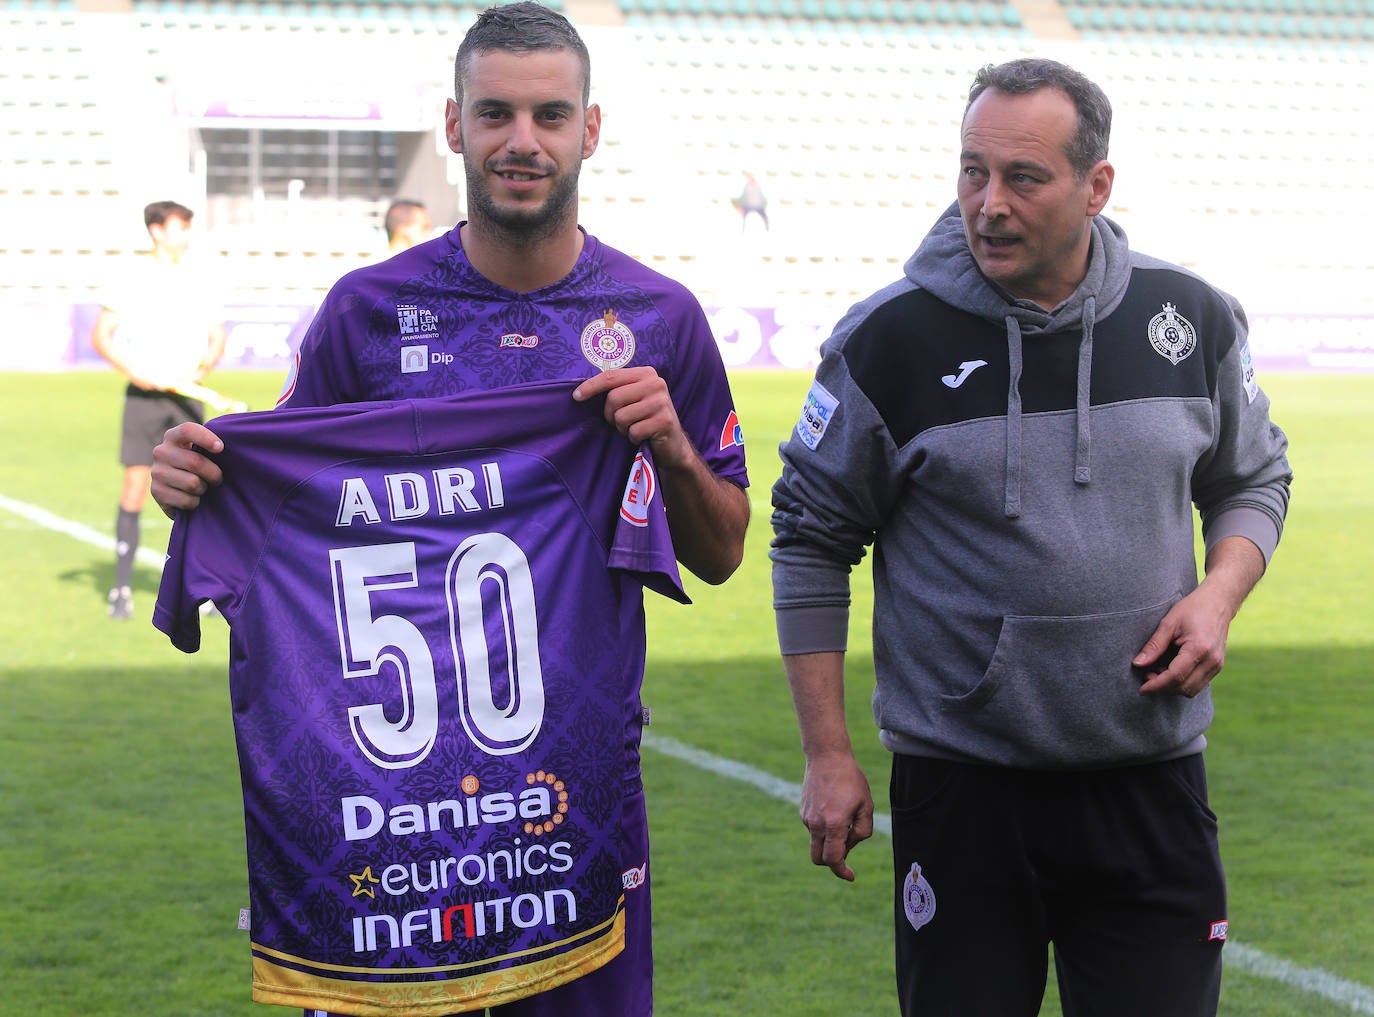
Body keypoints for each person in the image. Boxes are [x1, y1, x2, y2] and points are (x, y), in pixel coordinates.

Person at [150, 4, 749, 1016]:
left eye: (550, 115)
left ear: (589, 131)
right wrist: (199, 481)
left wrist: (675, 450)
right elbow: (286, 500)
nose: (523, 141)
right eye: (497, 113)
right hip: (383, 807)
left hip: (568, 796)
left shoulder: (658, 318)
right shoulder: (366, 312)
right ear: (454, 125)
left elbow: (725, 551)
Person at [770, 58, 1291, 1017]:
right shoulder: (888, 339)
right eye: (972, 172)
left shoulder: (1192, 318)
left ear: (1096, 186)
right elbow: (808, 534)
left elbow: (1252, 477)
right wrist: (827, 752)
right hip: (962, 790)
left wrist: (1220, 593)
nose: (988, 204)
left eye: (1023, 177)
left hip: (1151, 778)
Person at [89, 199, 226, 620]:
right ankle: (122, 589)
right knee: (134, 486)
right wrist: (133, 371)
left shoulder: (199, 276)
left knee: (203, 490)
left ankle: (208, 589)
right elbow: (101, 336)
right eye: (179, 227)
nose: (186, 234)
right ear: (157, 230)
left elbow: (216, 334)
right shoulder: (131, 276)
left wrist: (203, 367)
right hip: (145, 397)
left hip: (186, 396)